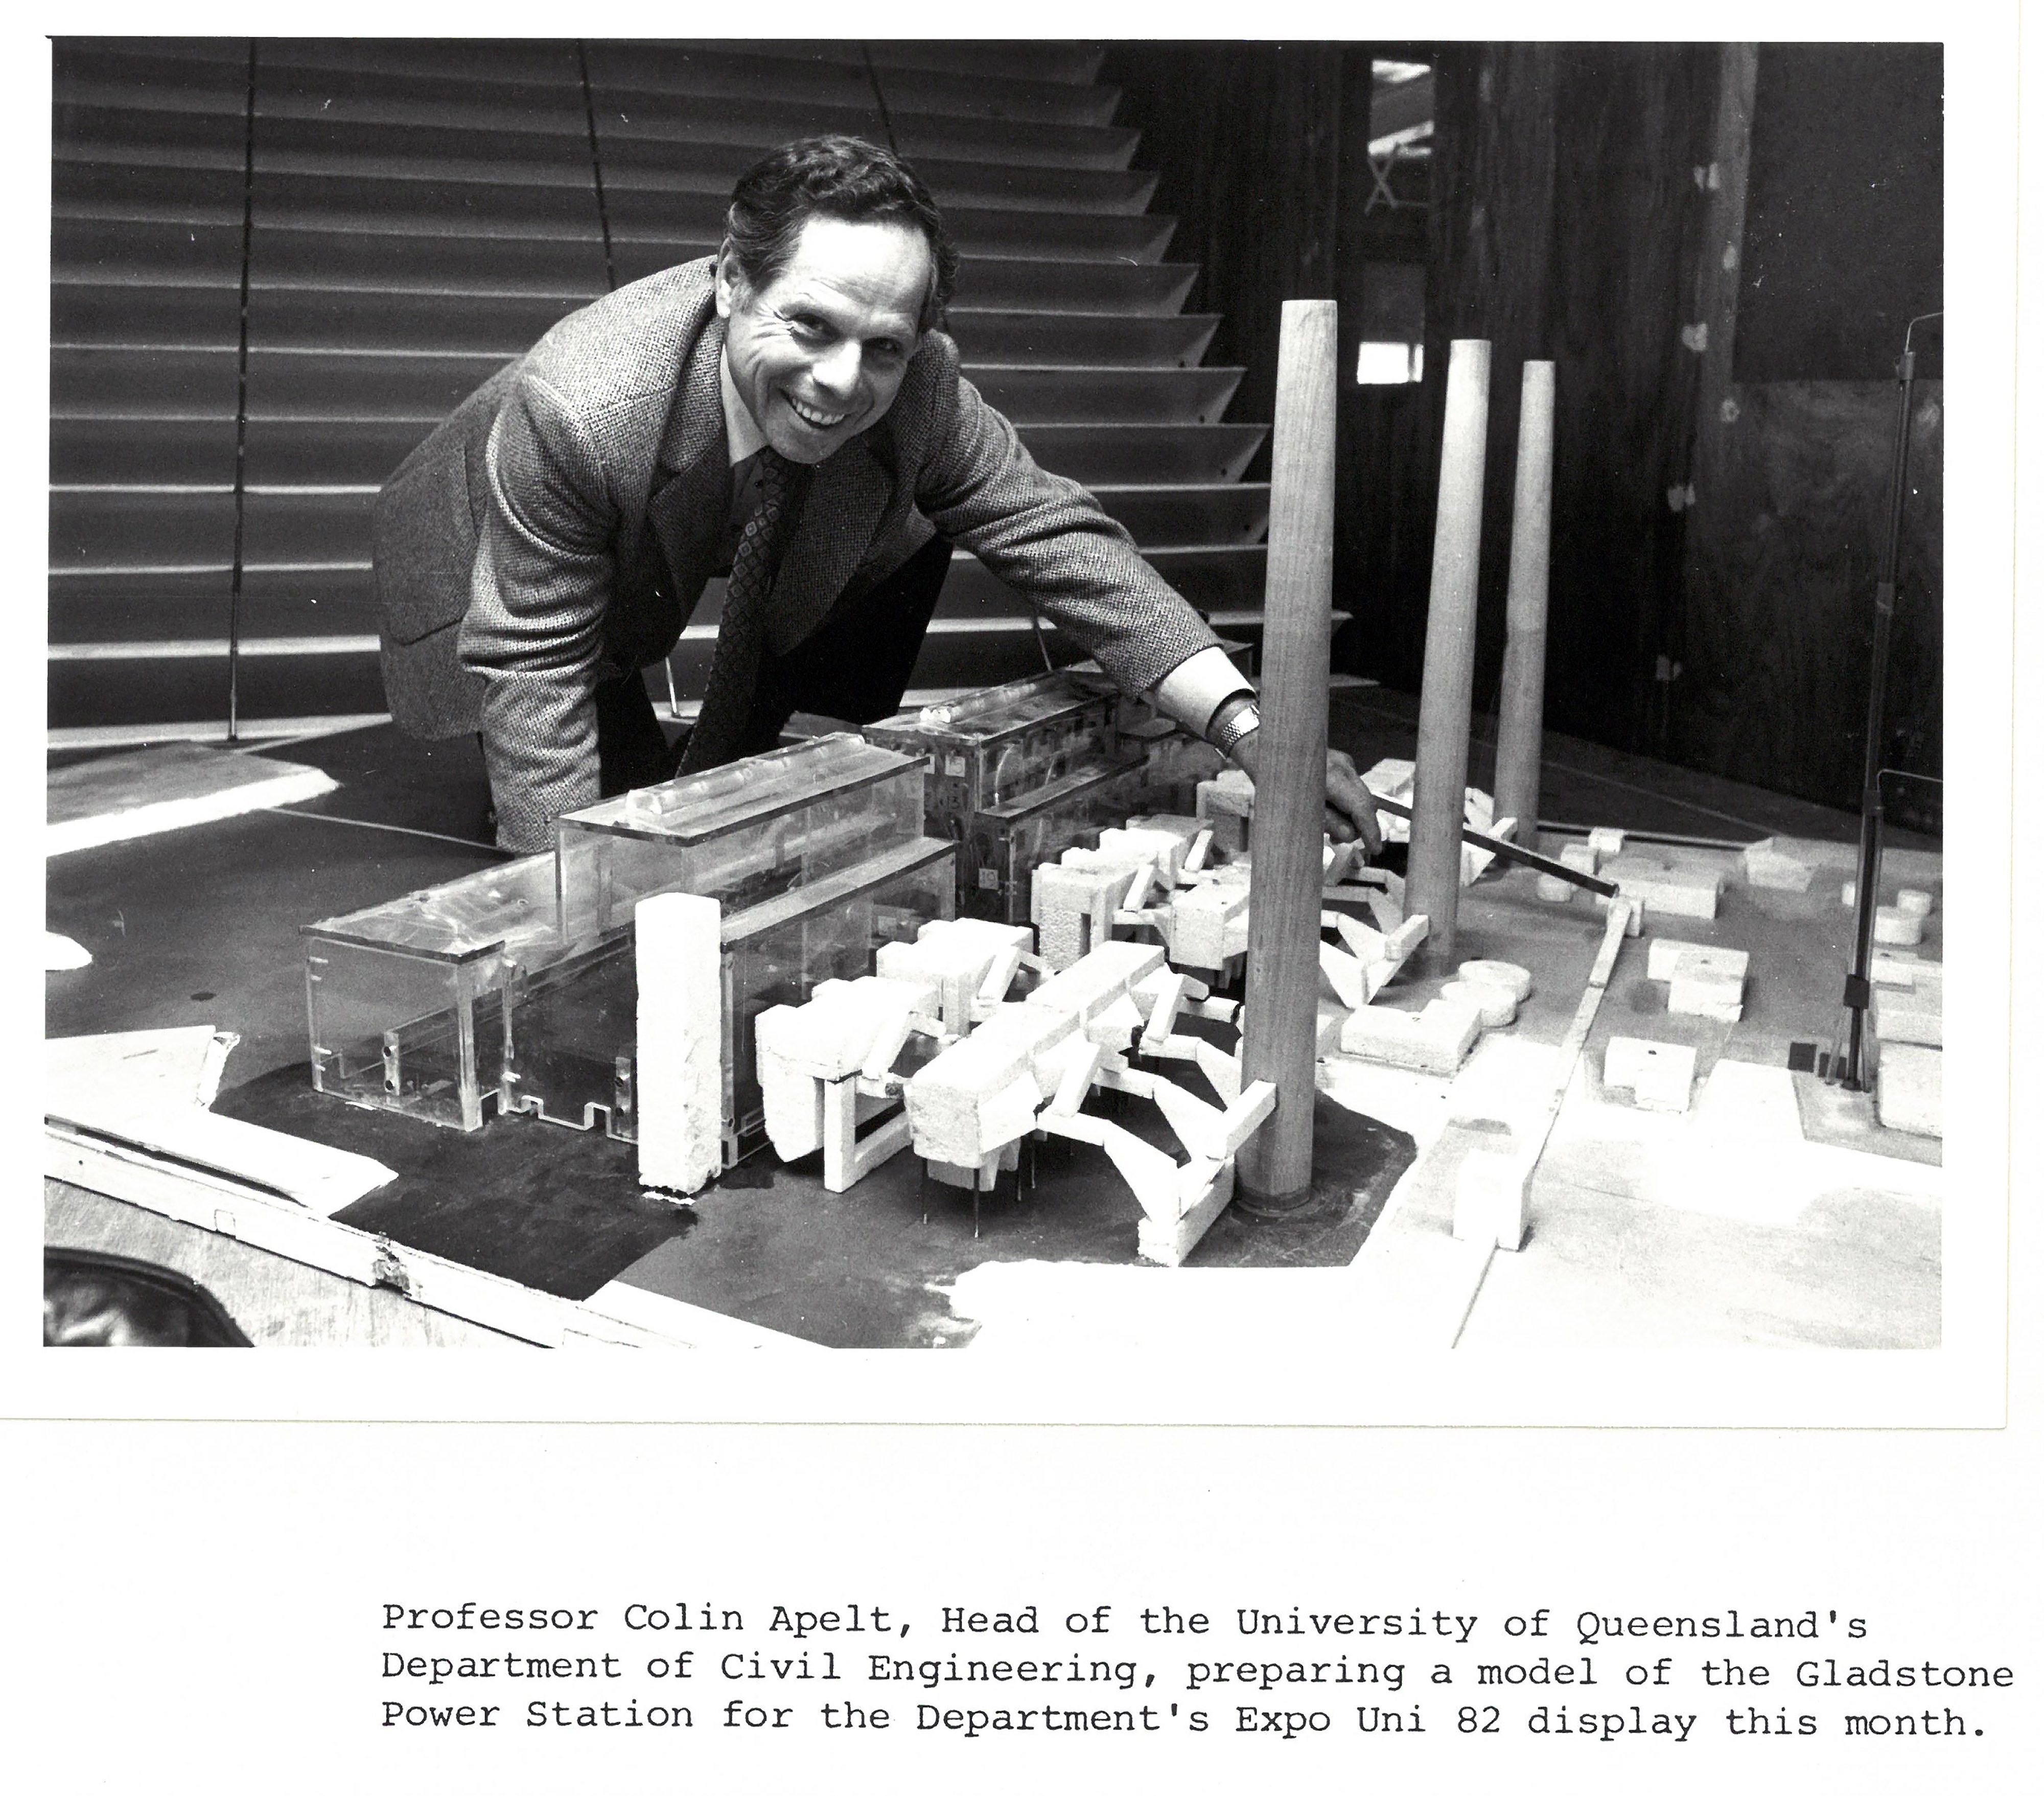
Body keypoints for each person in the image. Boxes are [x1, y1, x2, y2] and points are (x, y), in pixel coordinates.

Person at [373, 134, 1380, 858]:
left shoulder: (920, 386)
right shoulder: (582, 405)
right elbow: (532, 664)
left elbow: (1064, 540)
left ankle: (759, 757)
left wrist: (1254, 731)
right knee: (597, 829)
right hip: (477, 544)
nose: (842, 381)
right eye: (808, 327)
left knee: (892, 530)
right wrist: (562, 912)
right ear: (730, 282)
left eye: (882, 346)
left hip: (677, 520)